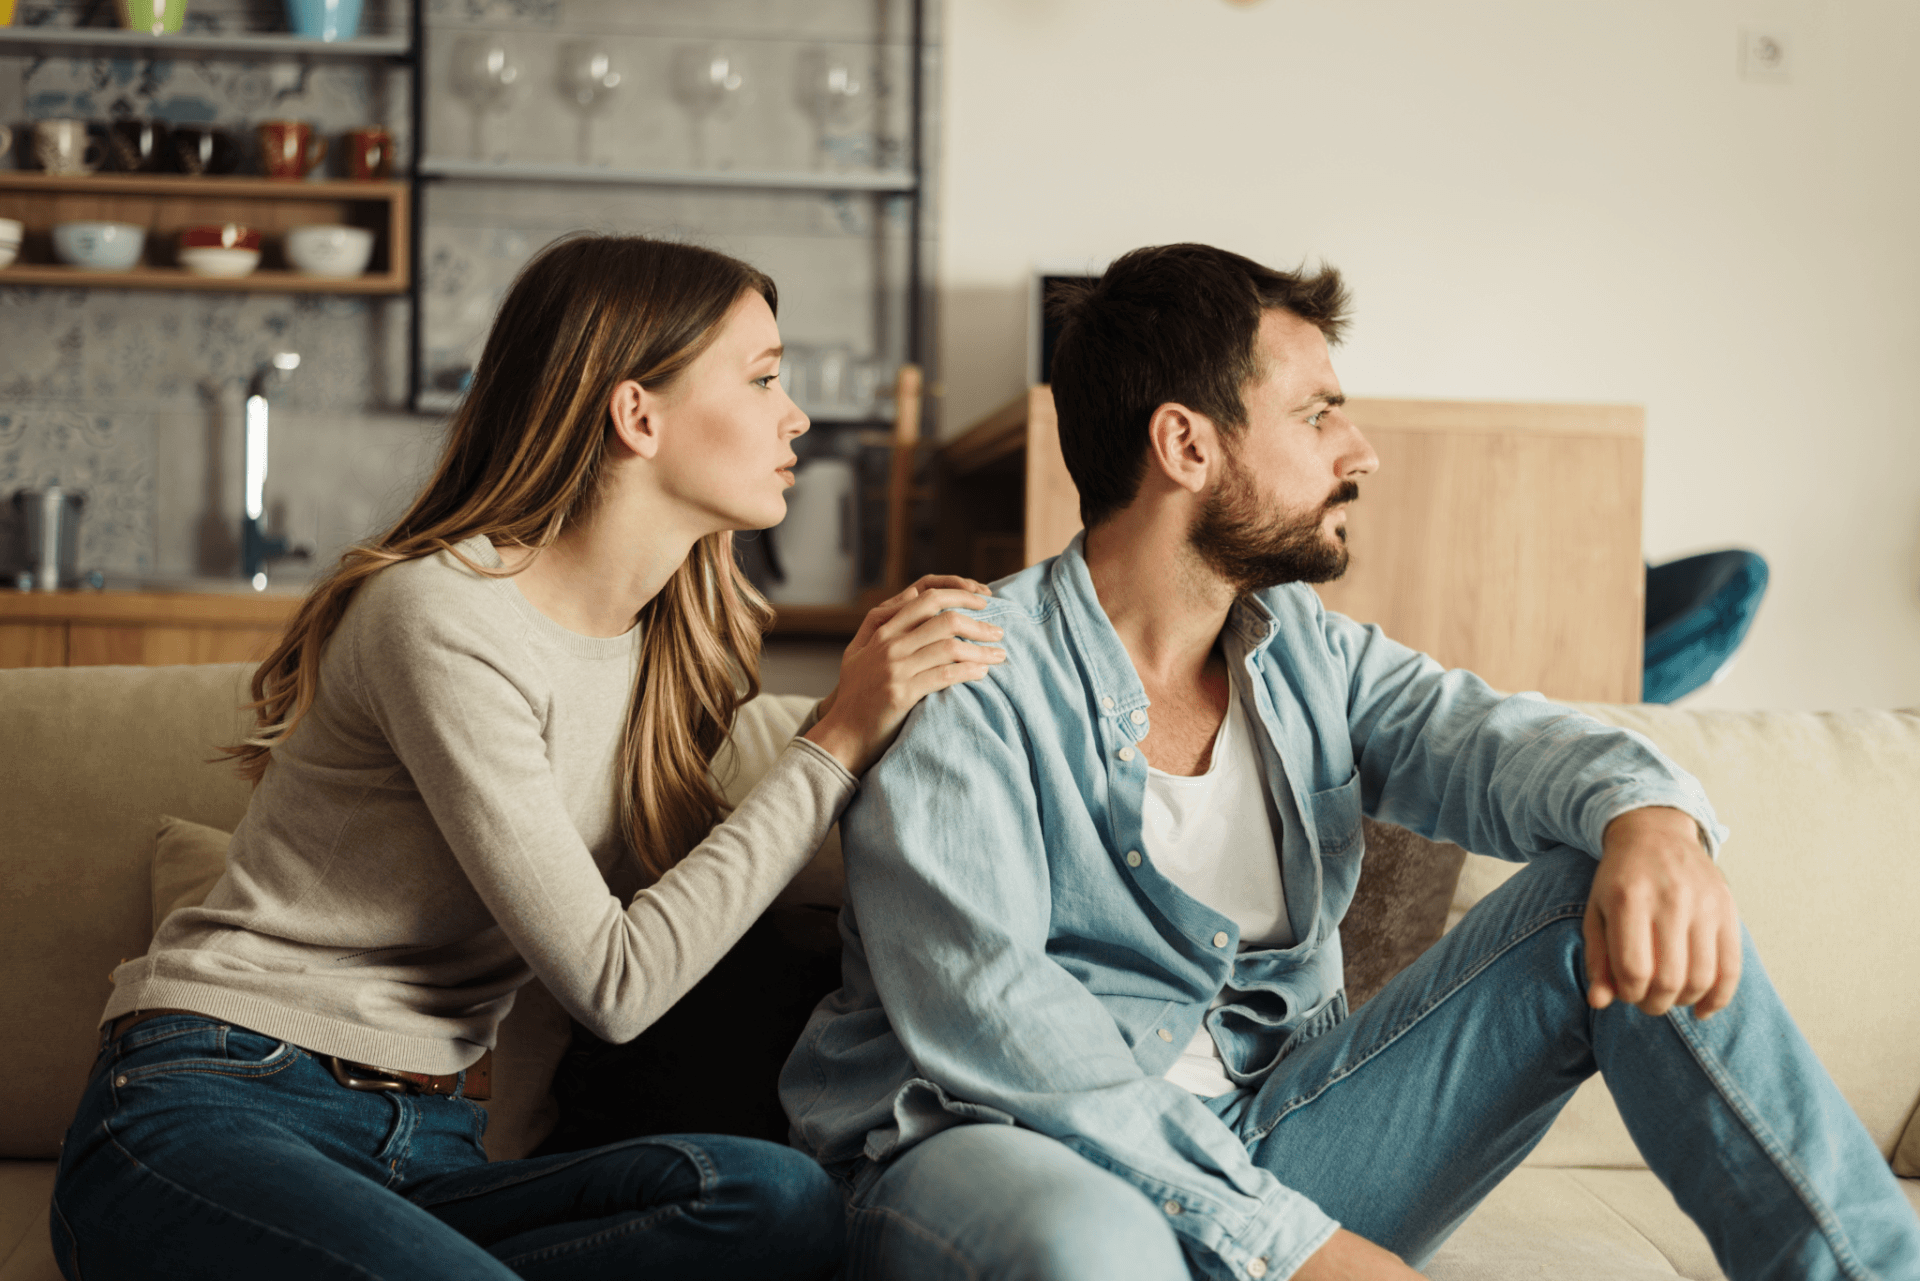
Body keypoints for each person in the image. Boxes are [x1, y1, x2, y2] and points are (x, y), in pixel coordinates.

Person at [778, 242, 1920, 1280]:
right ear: (1186, 444)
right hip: (1006, 1150)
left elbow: (1490, 738)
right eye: (1318, 413)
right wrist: (1301, 1250)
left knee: (1605, 891)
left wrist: (1650, 818)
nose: (1359, 451)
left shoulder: (1305, 651)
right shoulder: (966, 670)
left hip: (1279, 1145)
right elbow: (994, 1023)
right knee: (1097, 1250)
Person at [49, 234, 1007, 1281]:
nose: (798, 417)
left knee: (776, 1199)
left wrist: (889, 713)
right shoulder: (441, 615)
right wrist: (836, 739)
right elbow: (616, 981)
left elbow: (688, 913)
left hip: (425, 1146)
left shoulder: (660, 651)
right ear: (638, 415)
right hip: (217, 1103)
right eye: (765, 378)